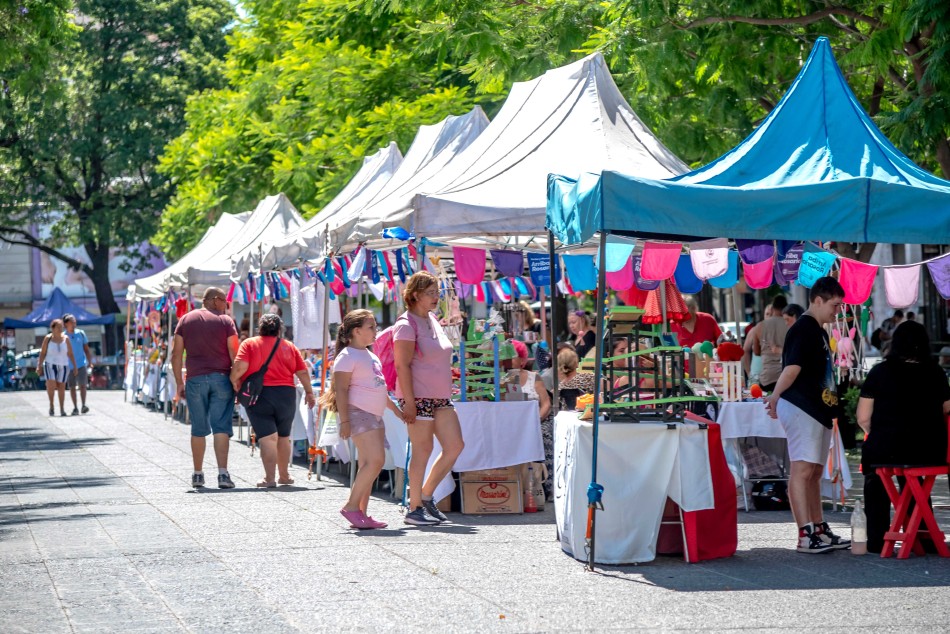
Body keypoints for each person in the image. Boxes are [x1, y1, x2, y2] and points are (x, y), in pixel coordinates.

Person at [763, 277, 850, 554]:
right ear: (818, 300)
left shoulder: (818, 330)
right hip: (802, 407)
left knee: (814, 471)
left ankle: (819, 528)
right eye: (835, 305)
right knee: (802, 470)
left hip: (817, 408)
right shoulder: (803, 328)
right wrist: (775, 396)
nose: (837, 311)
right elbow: (792, 368)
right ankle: (806, 534)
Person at [857, 320, 950, 553]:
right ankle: (922, 535)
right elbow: (947, 408)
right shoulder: (935, 372)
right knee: (915, 481)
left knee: (875, 477)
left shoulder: (880, 372)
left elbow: (863, 418)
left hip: (887, 447)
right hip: (929, 449)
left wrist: (878, 434)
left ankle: (877, 538)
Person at [319, 310, 404, 529]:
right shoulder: (347, 356)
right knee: (375, 461)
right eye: (371, 327)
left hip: (374, 414)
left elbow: (379, 388)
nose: (376, 330)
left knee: (368, 464)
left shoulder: (369, 354)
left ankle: (361, 514)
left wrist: (396, 411)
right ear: (356, 331)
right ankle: (351, 507)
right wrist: (345, 422)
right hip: (359, 413)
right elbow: (340, 390)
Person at [394, 271, 464, 526]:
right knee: (422, 451)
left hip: (440, 395)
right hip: (419, 395)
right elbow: (402, 365)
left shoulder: (432, 319)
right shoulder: (405, 325)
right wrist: (410, 402)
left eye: (437, 292)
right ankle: (414, 508)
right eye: (430, 293)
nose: (436, 297)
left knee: (455, 445)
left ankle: (424, 496)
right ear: (415, 295)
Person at [231, 313, 315, 488]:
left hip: (259, 395)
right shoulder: (289, 346)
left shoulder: (249, 344)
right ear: (279, 329)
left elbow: (240, 367)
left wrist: (234, 381)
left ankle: (269, 479)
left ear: (260, 328)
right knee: (284, 437)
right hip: (286, 395)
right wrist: (309, 392)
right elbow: (302, 372)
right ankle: (284, 476)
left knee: (268, 438)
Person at [172, 287, 239, 489]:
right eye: (225, 302)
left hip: (195, 380)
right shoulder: (225, 321)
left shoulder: (185, 320)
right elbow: (234, 352)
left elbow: (176, 354)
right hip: (221, 379)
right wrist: (236, 379)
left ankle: (198, 474)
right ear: (216, 300)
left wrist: (179, 383)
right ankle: (223, 475)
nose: (226, 306)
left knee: (198, 429)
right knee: (221, 427)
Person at [510, 340, 553, 498]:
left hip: (536, 421)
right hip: (511, 424)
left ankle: (547, 485)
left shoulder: (534, 377)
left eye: (512, 355)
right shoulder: (499, 379)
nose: (508, 359)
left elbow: (546, 403)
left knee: (544, 434)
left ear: (522, 359)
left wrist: (536, 421)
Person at [38, 319, 77, 416]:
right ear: (53, 328)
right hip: (50, 364)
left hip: (63, 365)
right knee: (51, 385)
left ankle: (62, 409)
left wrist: (75, 366)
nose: (60, 329)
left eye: (61, 327)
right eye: (58, 327)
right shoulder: (48, 338)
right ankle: (51, 405)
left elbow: (70, 353)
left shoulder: (66, 339)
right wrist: (39, 365)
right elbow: (43, 353)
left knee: (61, 387)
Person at [755, 296, 790, 393]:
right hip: (786, 377)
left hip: (767, 378)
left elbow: (756, 352)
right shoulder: (790, 325)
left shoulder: (760, 326)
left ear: (773, 308)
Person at [62, 314, 94, 415]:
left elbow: (86, 349)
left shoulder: (81, 333)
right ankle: (75, 407)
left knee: (83, 385)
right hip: (69, 365)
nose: (74, 323)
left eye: (74, 321)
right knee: (72, 387)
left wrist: (90, 362)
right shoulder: (63, 336)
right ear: (66, 324)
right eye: (71, 321)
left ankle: (83, 405)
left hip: (81, 364)